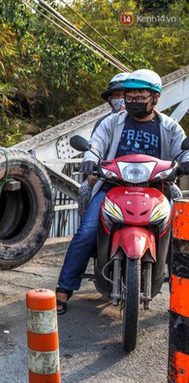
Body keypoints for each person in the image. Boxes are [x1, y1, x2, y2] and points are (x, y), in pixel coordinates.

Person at [56, 69, 189, 315]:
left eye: (140, 97)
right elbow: (95, 145)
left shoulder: (169, 126)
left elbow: (182, 150)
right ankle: (64, 289)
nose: (133, 102)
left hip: (156, 188)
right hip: (113, 187)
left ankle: (183, 297)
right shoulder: (112, 122)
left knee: (181, 238)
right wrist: (89, 159)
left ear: (155, 99)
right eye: (130, 97)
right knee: (86, 232)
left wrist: (186, 160)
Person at [78, 72, 130, 219]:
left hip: (141, 177)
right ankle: (85, 230)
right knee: (84, 191)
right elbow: (94, 148)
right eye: (116, 96)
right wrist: (91, 170)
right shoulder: (104, 123)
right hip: (108, 177)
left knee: (175, 195)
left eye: (123, 95)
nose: (120, 99)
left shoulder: (153, 121)